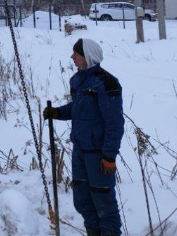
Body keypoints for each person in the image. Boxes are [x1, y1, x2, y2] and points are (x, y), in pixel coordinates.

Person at [44, 38, 125, 236]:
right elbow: (78, 109)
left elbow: (114, 123)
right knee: (82, 200)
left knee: (103, 202)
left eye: (76, 54)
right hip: (80, 150)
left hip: (98, 155)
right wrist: (58, 113)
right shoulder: (78, 80)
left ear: (87, 56)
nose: (72, 57)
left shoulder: (106, 83)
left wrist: (109, 155)